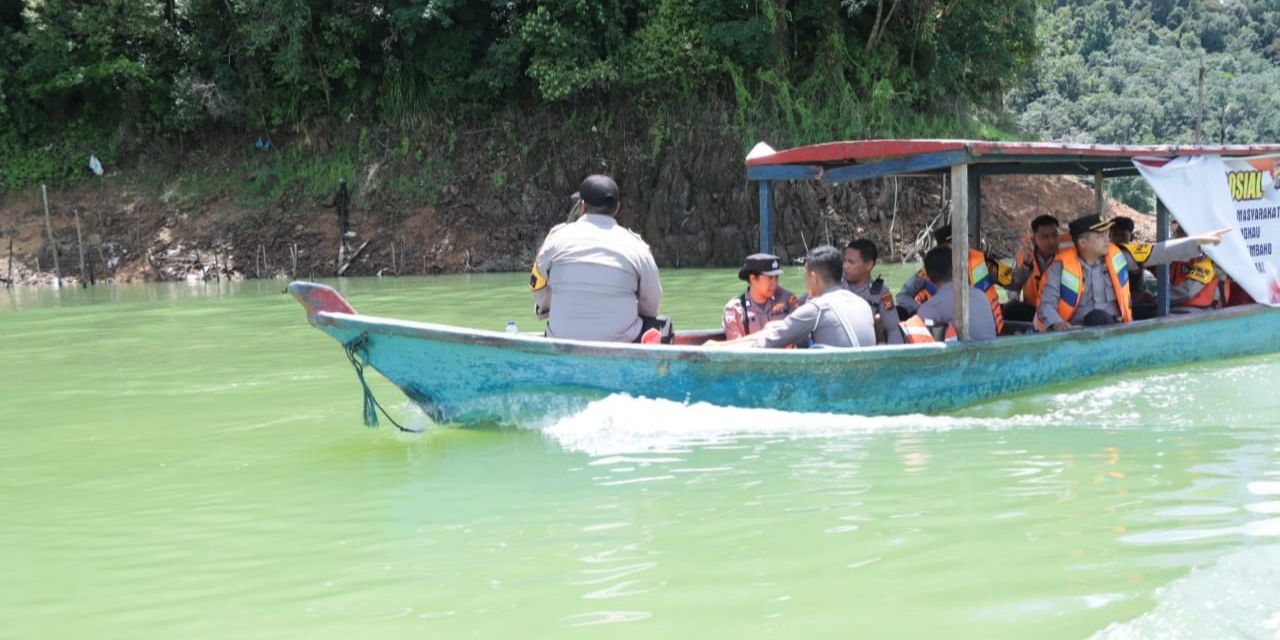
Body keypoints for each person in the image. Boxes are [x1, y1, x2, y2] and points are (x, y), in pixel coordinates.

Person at [1035, 214, 1229, 331]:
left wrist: (1197, 241)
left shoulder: (1119, 255)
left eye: (1107, 234)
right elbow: (1046, 306)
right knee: (1096, 318)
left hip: (1114, 327)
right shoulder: (1059, 268)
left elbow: (1157, 251)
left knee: (1118, 314)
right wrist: (1059, 325)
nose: (1107, 239)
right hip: (1076, 330)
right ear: (1083, 243)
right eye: (1100, 235)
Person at [530, 175, 662, 342]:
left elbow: (537, 287)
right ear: (617, 209)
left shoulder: (554, 240)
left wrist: (546, 309)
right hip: (622, 344)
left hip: (560, 340)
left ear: (582, 207)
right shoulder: (637, 247)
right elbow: (652, 303)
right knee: (660, 326)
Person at [706, 245, 874, 349]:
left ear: (814, 277)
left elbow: (767, 342)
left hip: (835, 383)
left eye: (806, 276)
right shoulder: (862, 304)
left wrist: (719, 346)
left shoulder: (816, 309)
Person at [896, 224, 1003, 334]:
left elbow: (1013, 281)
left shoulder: (985, 263)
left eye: (965, 241)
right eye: (957, 243)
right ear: (943, 247)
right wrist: (918, 308)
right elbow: (902, 296)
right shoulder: (930, 269)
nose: (964, 245)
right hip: (944, 327)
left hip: (993, 332)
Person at [900, 247, 998, 342]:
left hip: (964, 357)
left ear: (928, 279)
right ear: (958, 269)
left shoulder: (932, 306)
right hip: (991, 355)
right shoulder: (981, 295)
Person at [722, 253, 801, 339]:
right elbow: (735, 347)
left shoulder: (787, 300)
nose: (775, 283)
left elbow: (801, 335)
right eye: (770, 278)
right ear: (753, 279)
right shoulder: (735, 310)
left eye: (776, 277)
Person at [1003, 215, 1062, 322]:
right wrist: (1026, 266)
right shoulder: (1023, 256)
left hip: (1060, 312)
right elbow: (1012, 290)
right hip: (1034, 311)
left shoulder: (1067, 256)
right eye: (1045, 237)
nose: (1052, 241)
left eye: (1054, 235)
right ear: (1034, 240)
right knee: (1010, 308)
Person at [841, 239, 900, 343]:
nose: (845, 266)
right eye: (844, 260)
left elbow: (893, 329)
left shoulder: (882, 293)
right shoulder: (833, 283)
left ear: (868, 265)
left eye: (851, 262)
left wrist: (896, 355)